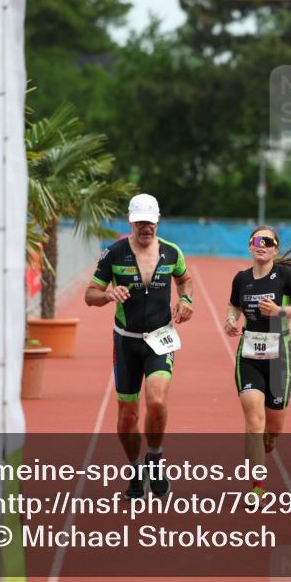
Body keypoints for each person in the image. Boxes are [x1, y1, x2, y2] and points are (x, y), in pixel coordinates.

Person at [85, 193, 194, 498]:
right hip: (126, 342)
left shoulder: (172, 253)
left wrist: (186, 300)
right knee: (127, 417)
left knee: (157, 401)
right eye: (140, 221)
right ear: (130, 221)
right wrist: (108, 295)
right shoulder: (114, 254)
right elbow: (90, 294)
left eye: (151, 221)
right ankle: (135, 469)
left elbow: (185, 280)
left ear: (157, 221)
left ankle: (155, 459)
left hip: (160, 339)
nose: (146, 227)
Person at [224, 226, 291, 498]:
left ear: (275, 248)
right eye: (256, 240)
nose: (261, 244)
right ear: (250, 246)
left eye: (268, 241)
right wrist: (231, 320)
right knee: (254, 422)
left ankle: (269, 440)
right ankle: (257, 489)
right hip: (249, 355)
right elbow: (233, 305)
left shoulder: (284, 276)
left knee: (273, 428)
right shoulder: (241, 278)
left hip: (279, 356)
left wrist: (280, 310)